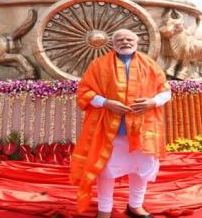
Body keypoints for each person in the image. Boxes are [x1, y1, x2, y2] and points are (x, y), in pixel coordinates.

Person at [70, 29, 171, 218]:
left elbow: (166, 92)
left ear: (137, 42)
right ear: (113, 43)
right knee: (106, 170)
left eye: (129, 39)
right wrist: (106, 103)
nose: (125, 42)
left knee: (141, 170)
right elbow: (84, 92)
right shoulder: (98, 65)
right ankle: (104, 210)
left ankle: (135, 205)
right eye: (120, 39)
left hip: (142, 129)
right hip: (109, 129)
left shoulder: (150, 65)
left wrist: (152, 102)